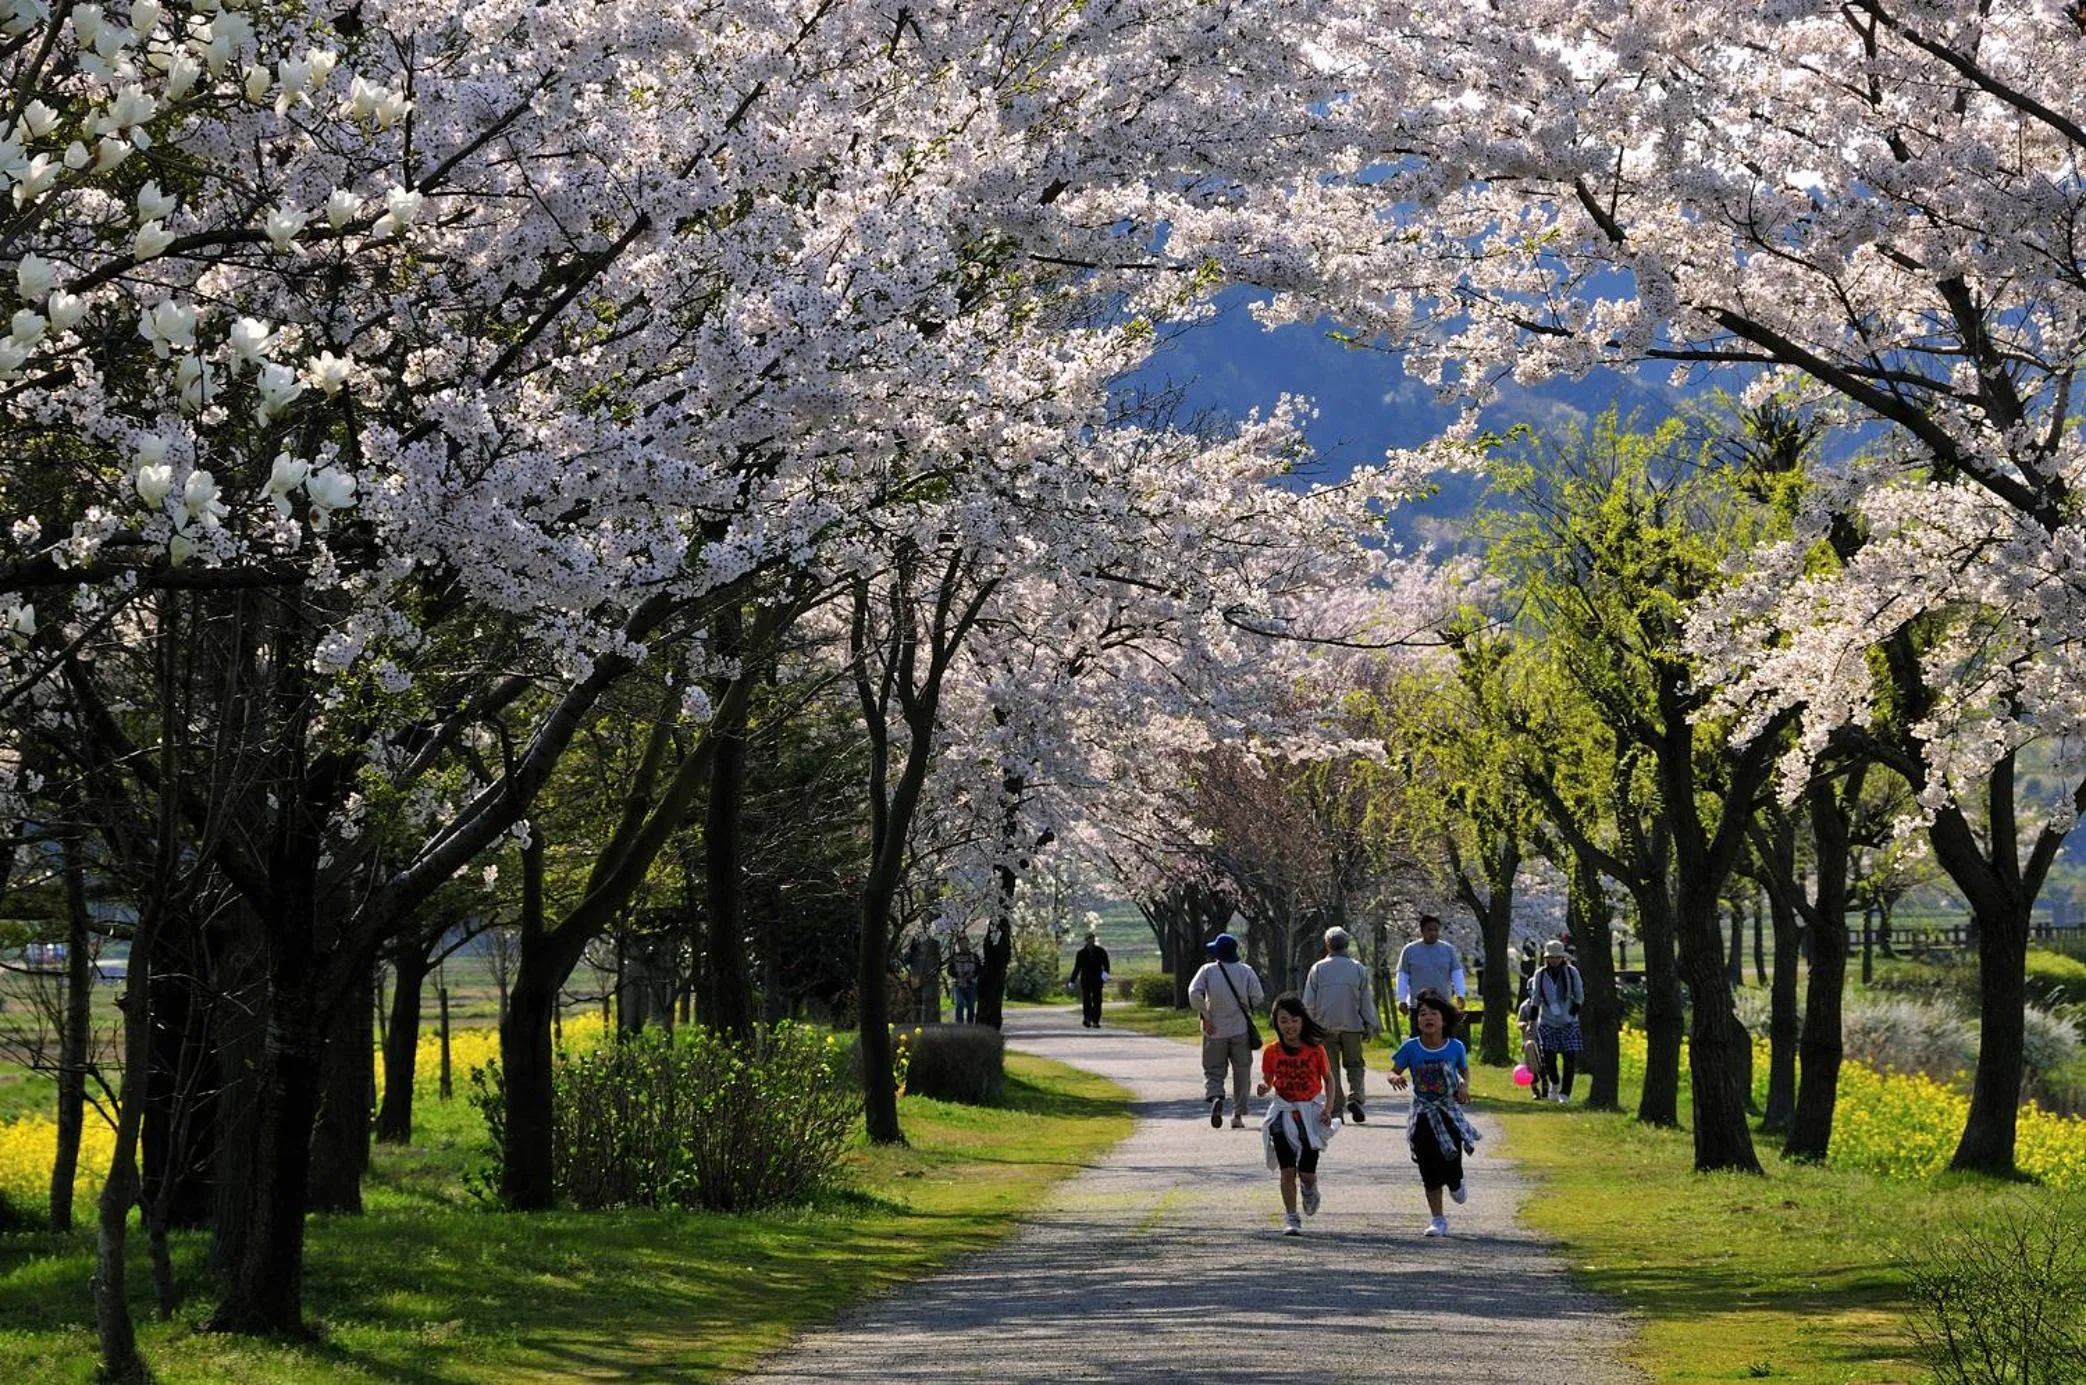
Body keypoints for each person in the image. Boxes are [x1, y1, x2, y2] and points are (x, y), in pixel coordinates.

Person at [1386, 987, 1479, 1238]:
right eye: (1422, 1014)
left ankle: (1456, 1181)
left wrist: (1464, 1086)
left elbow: (1464, 1070)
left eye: (1433, 1013)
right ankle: (1438, 1219)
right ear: (1417, 1021)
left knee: (1451, 1160)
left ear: (1444, 1020)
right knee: (1428, 1166)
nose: (1427, 1018)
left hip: (1448, 1111)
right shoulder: (1410, 1048)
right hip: (1423, 1113)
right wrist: (1394, 1078)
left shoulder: (1455, 1047)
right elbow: (1393, 1070)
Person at [1255, 993, 1336, 1236]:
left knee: (1306, 1173)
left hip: (1310, 1114)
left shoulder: (1316, 1050)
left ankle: (1309, 1188)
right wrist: (1264, 1087)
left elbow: (1329, 1080)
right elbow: (1268, 1079)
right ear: (1276, 1023)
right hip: (1283, 1113)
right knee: (1287, 1170)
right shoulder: (1271, 1051)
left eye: (1294, 1020)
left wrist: (1327, 1109)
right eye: (1283, 1021)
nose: (1289, 1026)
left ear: (1302, 1021)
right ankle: (1291, 1217)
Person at [1301, 925, 1379, 1123]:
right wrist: (1370, 1024)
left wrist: (1310, 1026)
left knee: (1330, 1069)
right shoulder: (1358, 969)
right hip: (1352, 1025)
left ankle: (1336, 1108)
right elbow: (1365, 1000)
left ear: (1327, 945)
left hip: (1325, 1027)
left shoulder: (1318, 969)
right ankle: (1356, 1098)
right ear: (1347, 944)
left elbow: (1308, 1002)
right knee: (1355, 1065)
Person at [1188, 931, 1264, 1129]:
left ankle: (1216, 1097)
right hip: (1240, 1029)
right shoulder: (1246, 971)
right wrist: (1246, 1004)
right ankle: (1238, 1115)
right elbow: (1258, 997)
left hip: (1214, 1030)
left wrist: (1205, 1015)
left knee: (1214, 1070)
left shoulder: (1208, 970)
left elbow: (1194, 993)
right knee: (1242, 1072)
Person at [1532, 939, 1585, 1104]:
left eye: (1557, 957)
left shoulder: (1571, 973)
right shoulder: (1540, 974)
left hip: (1569, 1022)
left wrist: (1571, 1013)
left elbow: (1579, 996)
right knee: (1549, 1060)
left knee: (1569, 1060)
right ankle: (1554, 1082)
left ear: (1562, 957)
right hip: (1548, 1021)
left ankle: (1565, 1093)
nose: (1554, 960)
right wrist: (1532, 1021)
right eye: (1551, 957)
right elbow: (1536, 998)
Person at [1395, 913, 1465, 1029]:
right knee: (1418, 1036)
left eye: (1436, 930)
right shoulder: (1410, 950)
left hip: (1443, 1003)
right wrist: (1402, 1000)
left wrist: (1460, 994)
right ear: (1422, 931)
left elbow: (1456, 973)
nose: (1433, 933)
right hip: (1418, 1005)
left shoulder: (1448, 949)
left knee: (1443, 1035)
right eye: (1429, 930)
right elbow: (1403, 976)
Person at [1069, 929, 1111, 1028]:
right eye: (1089, 939)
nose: (1091, 941)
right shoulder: (1081, 953)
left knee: (1097, 1000)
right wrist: (1072, 980)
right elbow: (1077, 967)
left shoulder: (1101, 951)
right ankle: (1087, 1018)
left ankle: (1096, 1020)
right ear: (1086, 940)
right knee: (1086, 999)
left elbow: (1106, 964)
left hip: (1097, 979)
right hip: (1086, 979)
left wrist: (1105, 974)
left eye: (1092, 939)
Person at [945, 931, 981, 1025]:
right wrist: (957, 974)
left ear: (968, 943)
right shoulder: (955, 957)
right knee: (959, 1004)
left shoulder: (974, 956)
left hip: (971, 984)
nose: (963, 945)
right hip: (958, 984)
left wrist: (972, 975)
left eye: (964, 943)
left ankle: (970, 1024)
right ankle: (959, 1024)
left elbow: (979, 969)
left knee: (971, 1006)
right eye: (960, 943)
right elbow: (949, 971)